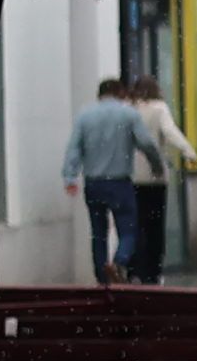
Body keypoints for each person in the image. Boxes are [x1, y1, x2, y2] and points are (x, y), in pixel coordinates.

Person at [62, 77, 162, 286]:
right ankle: (119, 262)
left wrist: (70, 176)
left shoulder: (85, 116)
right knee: (128, 229)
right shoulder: (128, 114)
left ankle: (101, 276)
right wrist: (156, 165)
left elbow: (74, 148)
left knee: (98, 232)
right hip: (119, 182)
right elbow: (146, 143)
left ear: (99, 94)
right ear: (121, 93)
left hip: (93, 183)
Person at [124, 76, 197, 285]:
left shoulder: (128, 109)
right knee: (154, 227)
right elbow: (170, 132)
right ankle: (153, 273)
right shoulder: (159, 108)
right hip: (154, 177)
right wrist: (189, 151)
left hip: (131, 177)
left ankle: (133, 270)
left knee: (134, 225)